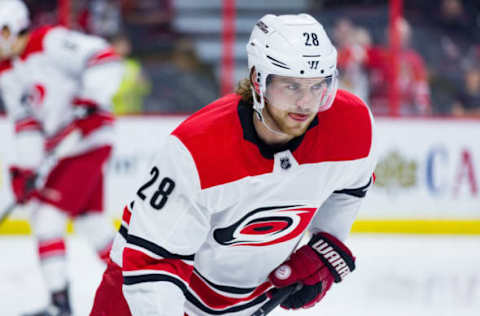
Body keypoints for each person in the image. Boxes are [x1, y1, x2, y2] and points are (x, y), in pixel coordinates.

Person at [91, 13, 376, 316]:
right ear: (258, 80)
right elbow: (153, 265)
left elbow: (353, 185)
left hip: (238, 304)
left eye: (317, 86)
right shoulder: (197, 149)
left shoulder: (350, 125)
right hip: (140, 294)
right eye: (291, 87)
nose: (306, 104)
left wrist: (325, 242)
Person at [0, 1, 124, 315]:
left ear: (11, 28)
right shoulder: (7, 72)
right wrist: (23, 170)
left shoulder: (50, 41)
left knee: (46, 221)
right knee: (93, 225)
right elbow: (26, 123)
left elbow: (104, 57)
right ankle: (137, 285)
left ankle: (59, 306)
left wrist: (91, 98)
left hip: (88, 140)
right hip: (66, 147)